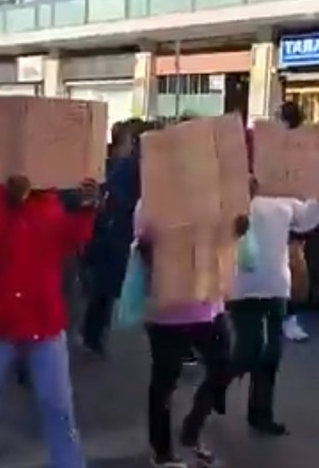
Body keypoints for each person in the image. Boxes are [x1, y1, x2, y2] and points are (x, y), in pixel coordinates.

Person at [0, 175, 98, 468]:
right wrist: (11, 206)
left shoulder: (47, 197)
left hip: (43, 320)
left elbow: (67, 239)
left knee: (59, 407)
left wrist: (86, 208)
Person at [135, 200, 246, 467]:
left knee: (222, 368)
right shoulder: (154, 199)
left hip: (208, 307)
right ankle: (162, 453)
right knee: (164, 382)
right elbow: (144, 248)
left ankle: (191, 430)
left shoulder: (214, 198)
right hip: (168, 311)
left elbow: (227, 243)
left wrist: (236, 228)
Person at [227, 177, 319, 436]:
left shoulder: (282, 203)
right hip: (241, 290)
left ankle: (261, 414)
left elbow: (306, 220)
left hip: (275, 288)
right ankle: (212, 392)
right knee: (247, 352)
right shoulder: (227, 205)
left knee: (271, 354)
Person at [80, 119, 144, 357]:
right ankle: (92, 332)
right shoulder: (127, 165)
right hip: (116, 230)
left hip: (121, 229)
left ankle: (93, 331)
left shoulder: (127, 164)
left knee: (107, 285)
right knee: (106, 286)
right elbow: (114, 198)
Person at [277, 101, 311, 342]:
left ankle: (286, 317)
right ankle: (286, 317)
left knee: (290, 269)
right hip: (288, 209)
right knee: (290, 269)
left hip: (287, 210)